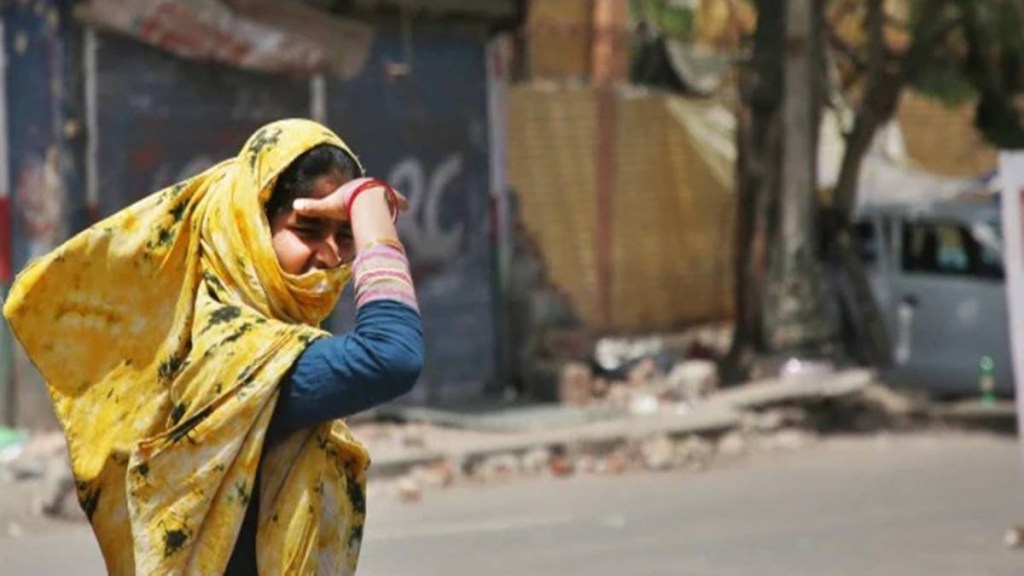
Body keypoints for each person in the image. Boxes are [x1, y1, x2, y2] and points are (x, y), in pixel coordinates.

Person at [2, 119, 423, 575]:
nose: (330, 256)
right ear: (251, 228)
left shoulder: (222, 337)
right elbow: (392, 355)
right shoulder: (236, 358)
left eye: (345, 237)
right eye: (307, 230)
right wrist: (370, 211)